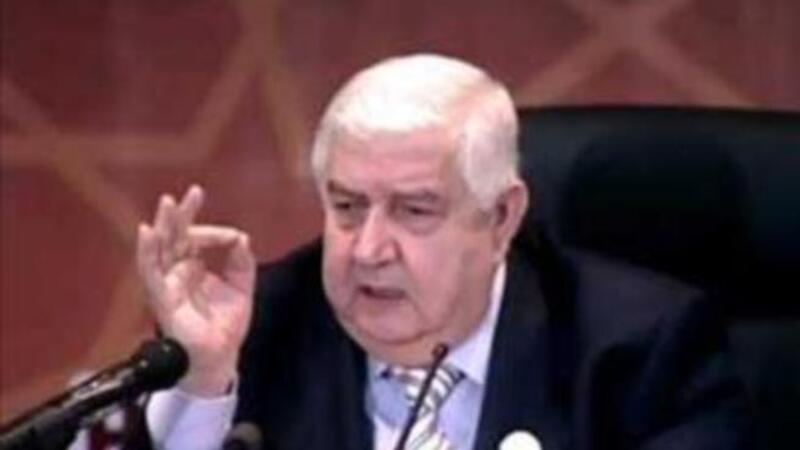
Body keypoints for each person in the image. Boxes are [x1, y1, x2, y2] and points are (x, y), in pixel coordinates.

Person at [136, 54, 749, 449]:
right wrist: (201, 380)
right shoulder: (261, 328)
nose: (368, 249)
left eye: (414, 210)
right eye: (347, 206)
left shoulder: (638, 351)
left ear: (501, 217)